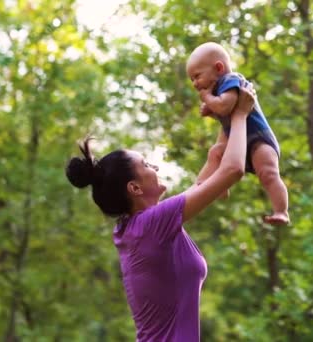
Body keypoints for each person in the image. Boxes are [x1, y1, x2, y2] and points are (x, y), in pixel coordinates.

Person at [65, 84, 256, 341]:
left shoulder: (137, 228)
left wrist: (226, 120)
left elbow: (204, 185)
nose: (154, 165)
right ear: (134, 188)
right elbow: (232, 170)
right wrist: (242, 114)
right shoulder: (150, 224)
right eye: (145, 164)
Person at [186, 42, 290, 225]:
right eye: (192, 80)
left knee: (268, 173)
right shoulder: (219, 89)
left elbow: (225, 107)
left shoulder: (231, 80)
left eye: (197, 76)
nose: (195, 83)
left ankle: (281, 210)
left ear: (218, 68)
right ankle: (214, 186)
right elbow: (224, 112)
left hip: (259, 139)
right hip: (239, 139)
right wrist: (210, 110)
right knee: (215, 152)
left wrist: (208, 99)